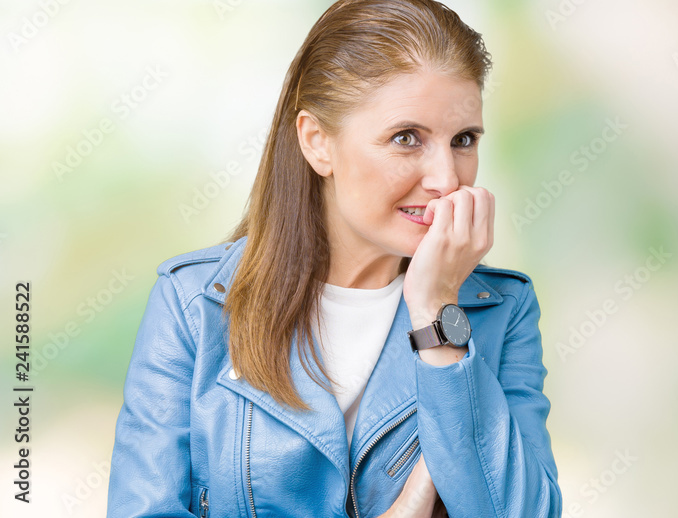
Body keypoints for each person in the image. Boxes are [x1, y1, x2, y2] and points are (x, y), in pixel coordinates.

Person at [106, 0, 561, 516]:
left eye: (463, 140)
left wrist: (437, 315)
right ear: (317, 142)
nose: (446, 179)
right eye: (406, 138)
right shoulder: (194, 306)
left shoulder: (501, 310)